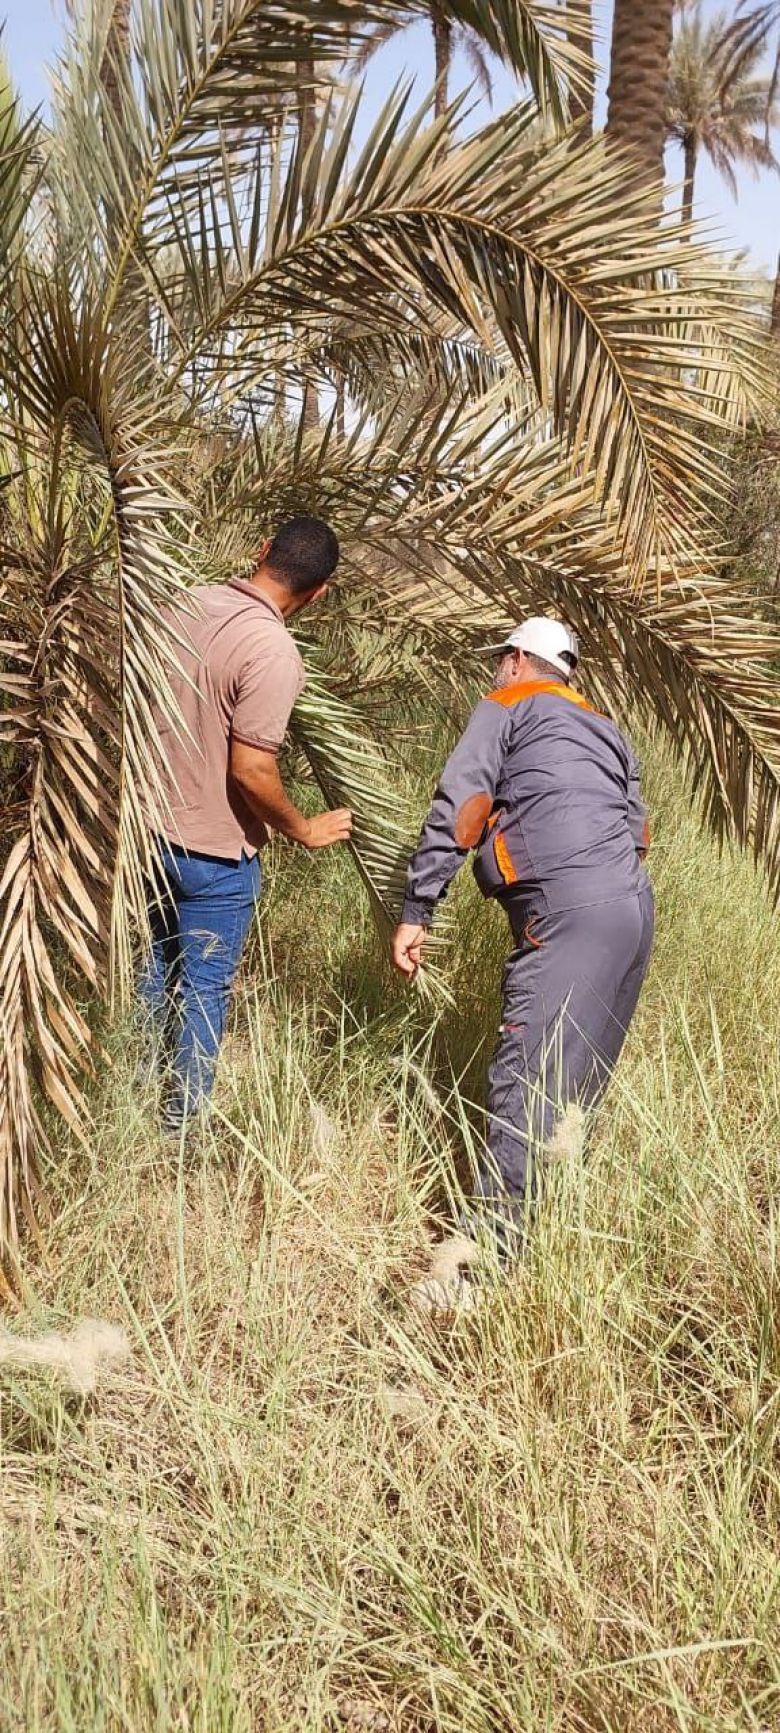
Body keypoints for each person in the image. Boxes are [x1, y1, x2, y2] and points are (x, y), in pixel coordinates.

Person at [391, 617, 653, 1301]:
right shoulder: (607, 728)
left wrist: (418, 907)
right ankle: (541, 1247)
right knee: (572, 1091)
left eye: (497, 663)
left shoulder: (506, 705)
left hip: (568, 914)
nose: (493, 675)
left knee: (527, 1085)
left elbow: (463, 807)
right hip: (631, 914)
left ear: (516, 660)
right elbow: (637, 830)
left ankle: (475, 1274)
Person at [140, 516, 352, 1135]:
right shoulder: (272, 650)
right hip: (213, 858)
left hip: (148, 830)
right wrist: (302, 828)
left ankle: (132, 1096)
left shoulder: (181, 604)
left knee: (151, 974)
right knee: (203, 991)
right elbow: (253, 770)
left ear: (261, 551)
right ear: (319, 592)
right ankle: (180, 1130)